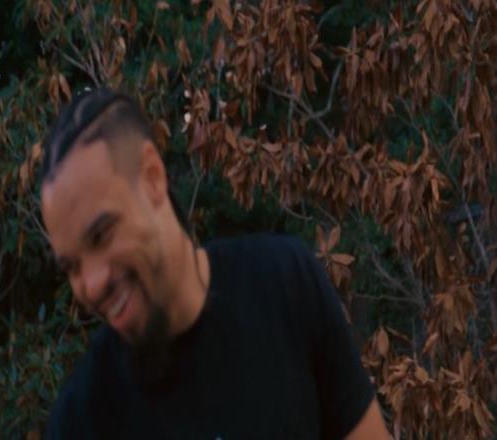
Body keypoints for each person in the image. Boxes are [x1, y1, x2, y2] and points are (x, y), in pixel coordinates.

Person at [40, 88, 390, 439]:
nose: (92, 284)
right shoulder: (81, 420)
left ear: (152, 177)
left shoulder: (284, 284)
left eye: (101, 235)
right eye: (71, 266)